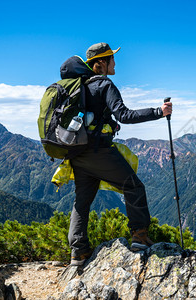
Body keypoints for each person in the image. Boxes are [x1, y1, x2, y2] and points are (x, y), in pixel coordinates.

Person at [60, 42, 172, 266]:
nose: (115, 62)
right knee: (134, 187)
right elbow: (125, 114)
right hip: (99, 151)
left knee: (82, 202)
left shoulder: (81, 86)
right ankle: (139, 238)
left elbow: (97, 116)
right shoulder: (104, 84)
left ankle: (78, 252)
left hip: (77, 152)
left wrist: (109, 123)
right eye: (112, 58)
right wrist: (159, 112)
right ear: (101, 62)